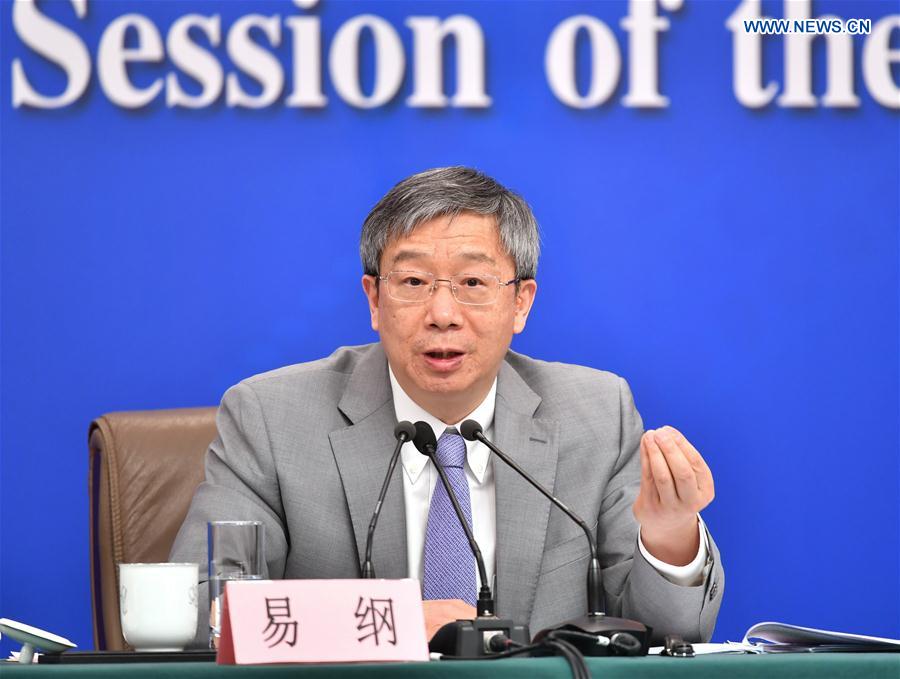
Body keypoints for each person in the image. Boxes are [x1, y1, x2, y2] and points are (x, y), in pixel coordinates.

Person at [171, 166, 723, 646]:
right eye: (413, 281)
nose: (442, 314)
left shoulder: (597, 415)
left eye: (473, 282)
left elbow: (669, 636)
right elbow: (198, 611)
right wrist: (391, 625)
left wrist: (669, 535)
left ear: (521, 303)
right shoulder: (272, 418)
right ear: (374, 299)